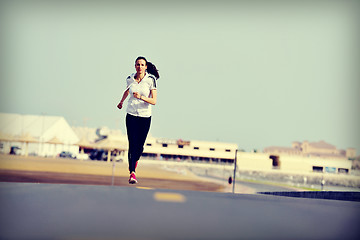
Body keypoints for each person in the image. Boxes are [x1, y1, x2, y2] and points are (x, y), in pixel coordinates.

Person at [117, 56, 159, 184]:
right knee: (132, 143)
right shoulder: (130, 79)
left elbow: (154, 101)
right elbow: (127, 90)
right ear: (135, 66)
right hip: (131, 114)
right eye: (137, 64)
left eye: (142, 65)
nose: (139, 67)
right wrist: (121, 102)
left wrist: (141, 97)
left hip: (145, 116)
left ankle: (134, 163)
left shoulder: (150, 80)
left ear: (146, 67)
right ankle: (132, 173)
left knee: (140, 146)